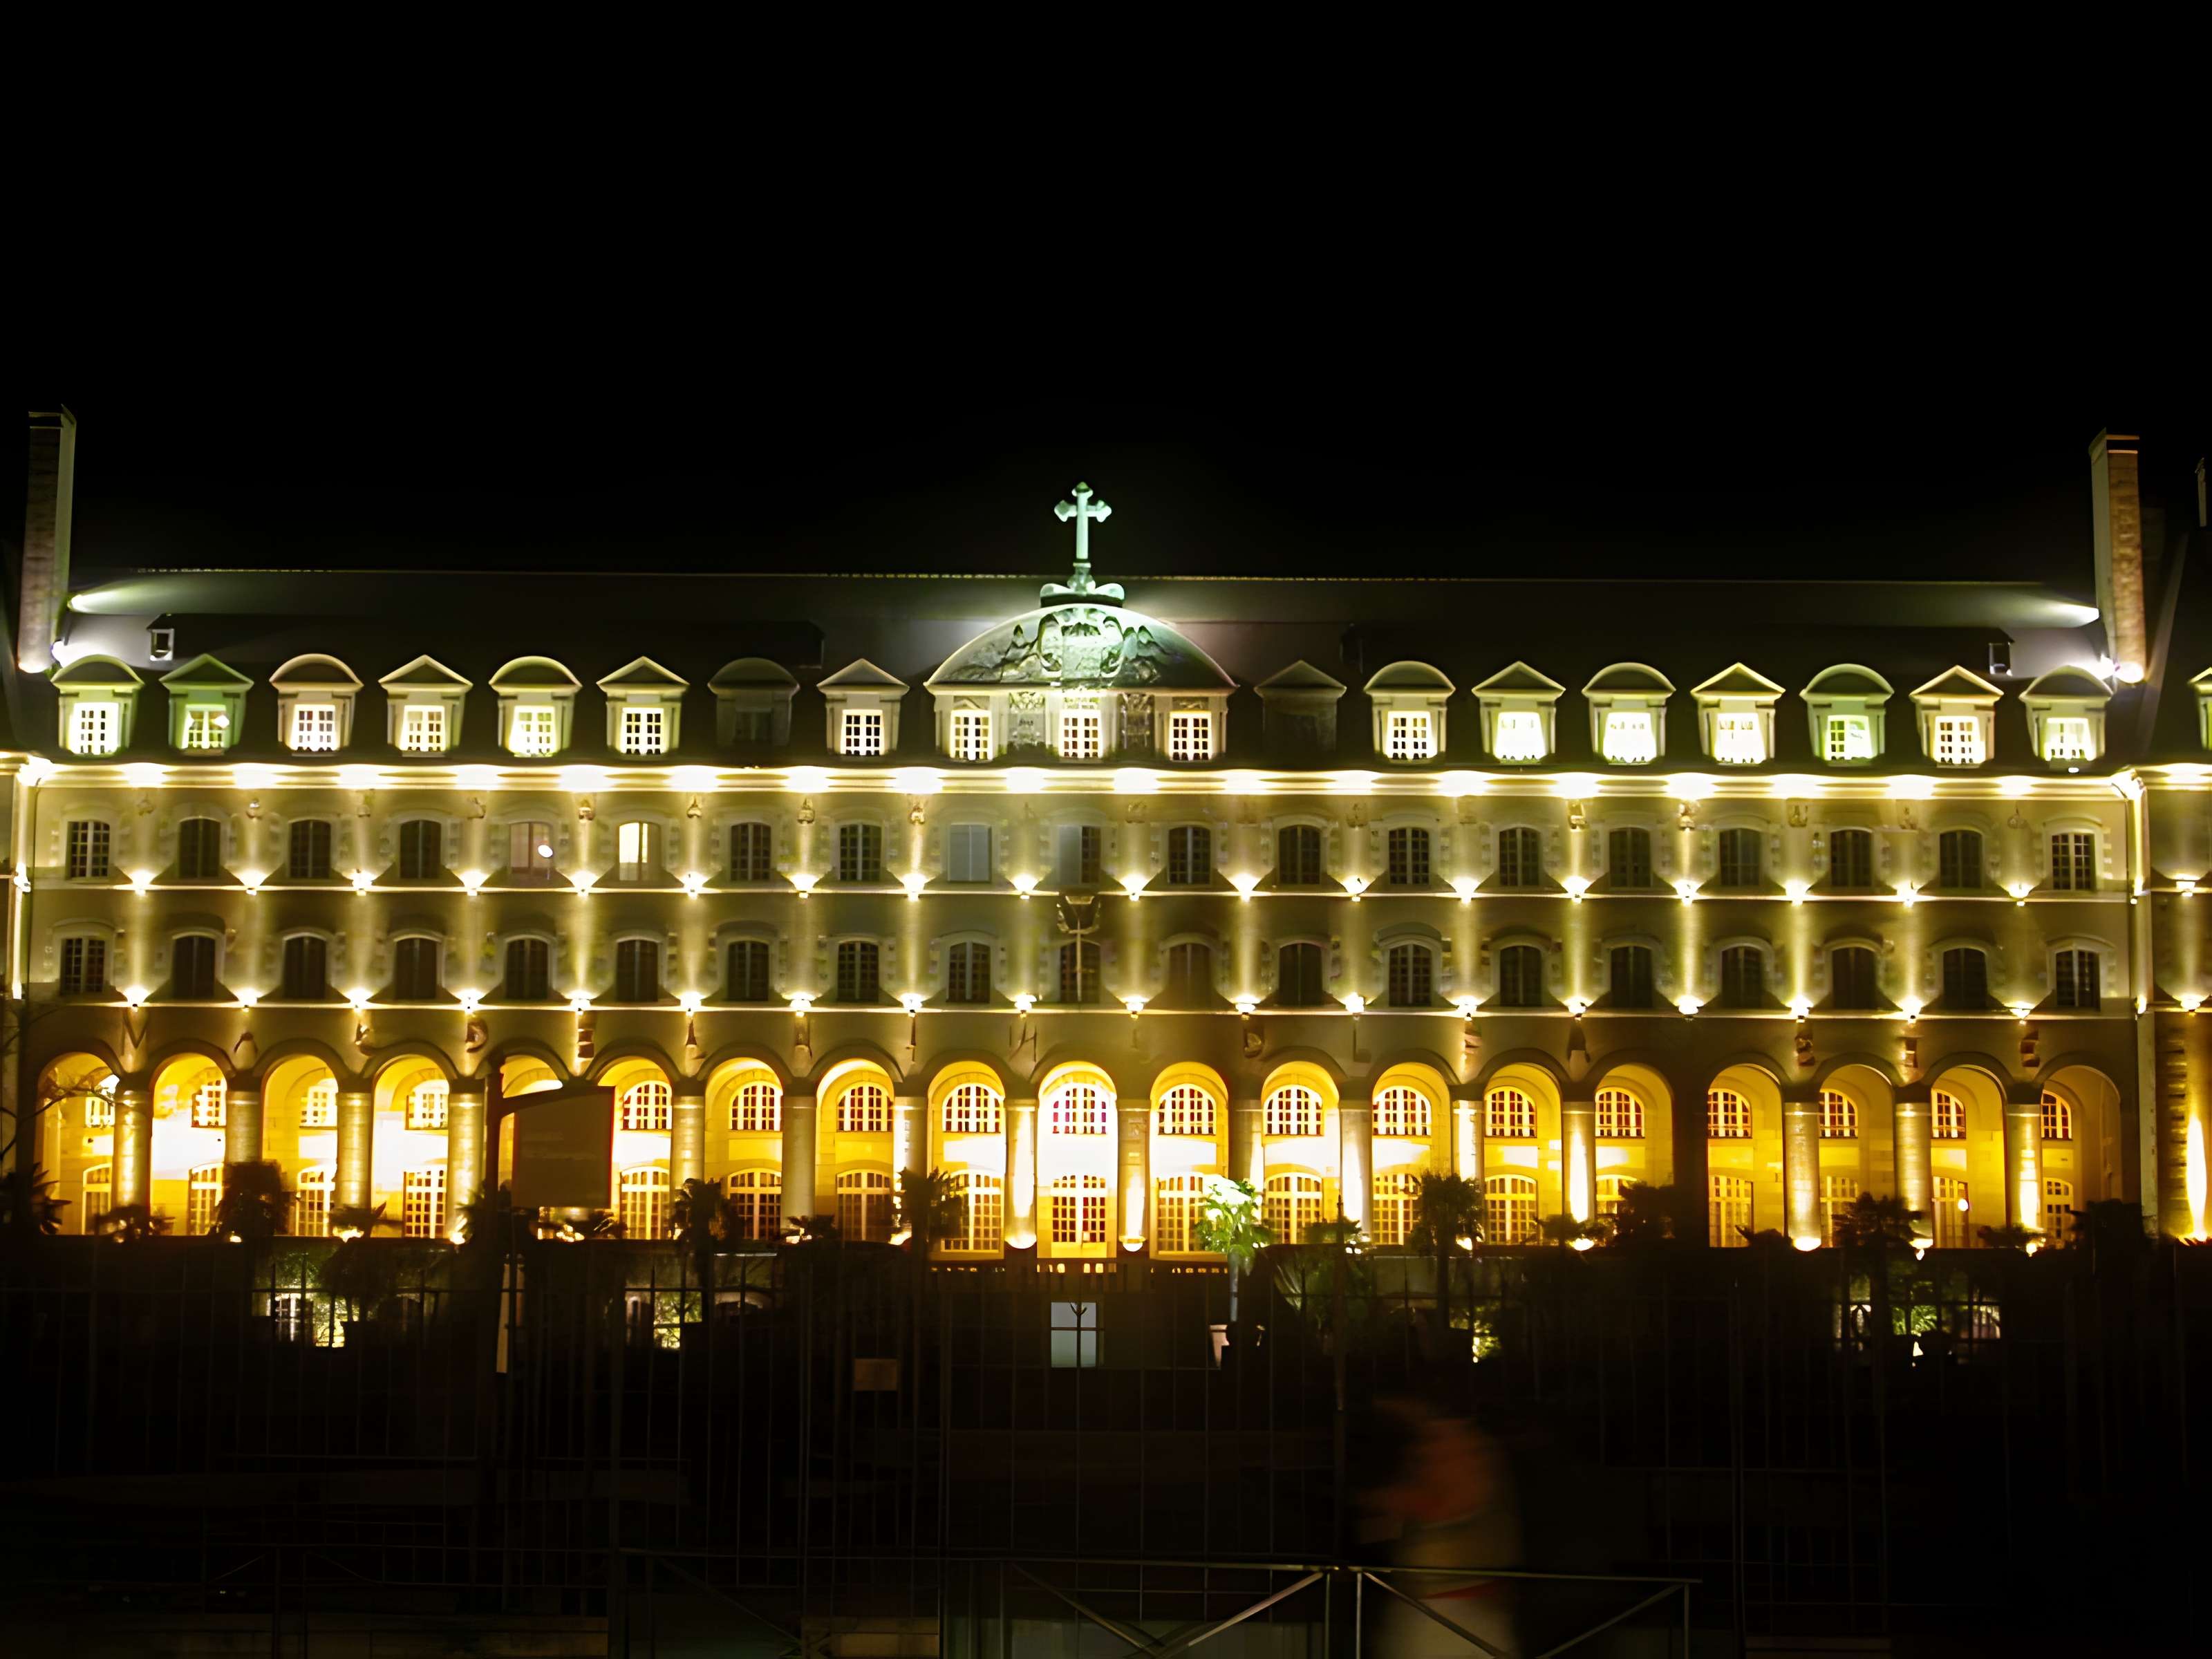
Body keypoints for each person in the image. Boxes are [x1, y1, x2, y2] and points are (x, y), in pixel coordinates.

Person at [1365, 1396, 1522, 1656]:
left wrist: (1385, 1499)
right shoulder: (1457, 1447)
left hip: (1452, 1609)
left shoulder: (1458, 1449)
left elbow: (1439, 1504)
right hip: (1443, 1606)